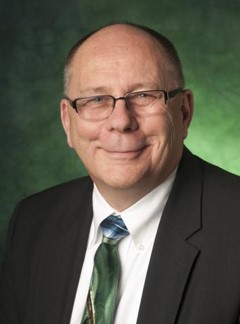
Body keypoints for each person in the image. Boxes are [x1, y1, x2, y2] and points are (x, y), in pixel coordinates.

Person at [0, 22, 240, 324]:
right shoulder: (34, 221)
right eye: (96, 100)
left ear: (183, 112)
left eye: (144, 95)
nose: (121, 121)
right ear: (67, 122)